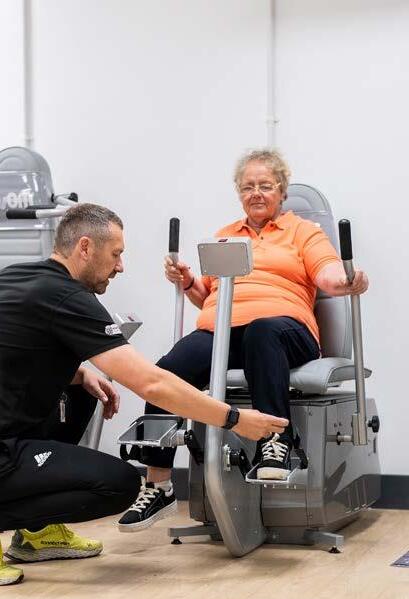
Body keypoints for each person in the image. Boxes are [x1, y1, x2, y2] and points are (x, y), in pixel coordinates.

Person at [0, 203, 287, 586]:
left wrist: (79, 373)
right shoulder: (68, 298)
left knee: (84, 393)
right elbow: (151, 383)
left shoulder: (16, 276)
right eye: (116, 254)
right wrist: (234, 419)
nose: (120, 266)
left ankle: (36, 533)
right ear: (85, 247)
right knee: (118, 485)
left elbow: (5, 350)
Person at [118, 149, 369, 533]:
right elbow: (209, 296)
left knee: (261, 331)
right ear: (239, 192)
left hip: (285, 331)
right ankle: (158, 485)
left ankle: (277, 442)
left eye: (265, 185)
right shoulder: (226, 236)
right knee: (167, 371)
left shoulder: (303, 232)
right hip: (222, 332)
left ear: (281, 190)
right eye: (248, 186)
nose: (256, 193)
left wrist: (347, 280)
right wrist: (188, 281)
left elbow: (328, 274)